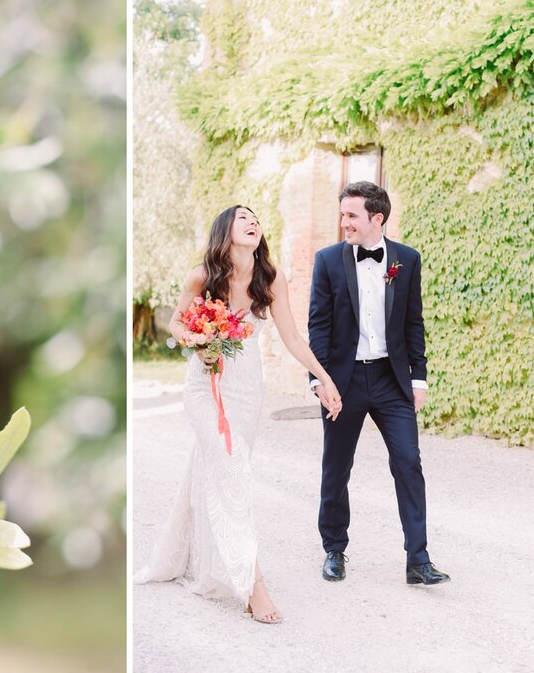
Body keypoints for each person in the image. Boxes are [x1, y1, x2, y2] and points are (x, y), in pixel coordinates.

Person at [134, 205, 342, 623]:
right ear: (225, 230)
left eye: (255, 218)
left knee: (213, 469)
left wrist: (323, 378)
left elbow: (292, 338)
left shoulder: (271, 277)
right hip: (205, 385)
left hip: (247, 390)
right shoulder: (202, 275)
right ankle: (253, 585)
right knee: (230, 472)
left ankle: (190, 557)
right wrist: (197, 337)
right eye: (241, 216)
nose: (252, 221)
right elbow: (175, 323)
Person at [308, 180, 450, 585]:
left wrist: (418, 378)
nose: (344, 223)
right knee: (336, 468)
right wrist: (320, 381)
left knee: (409, 464)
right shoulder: (328, 260)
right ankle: (334, 550)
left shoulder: (407, 260)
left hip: (392, 380)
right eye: (342, 214)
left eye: (351, 215)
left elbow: (413, 322)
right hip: (343, 381)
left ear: (377, 218)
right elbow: (318, 324)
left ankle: (418, 560)